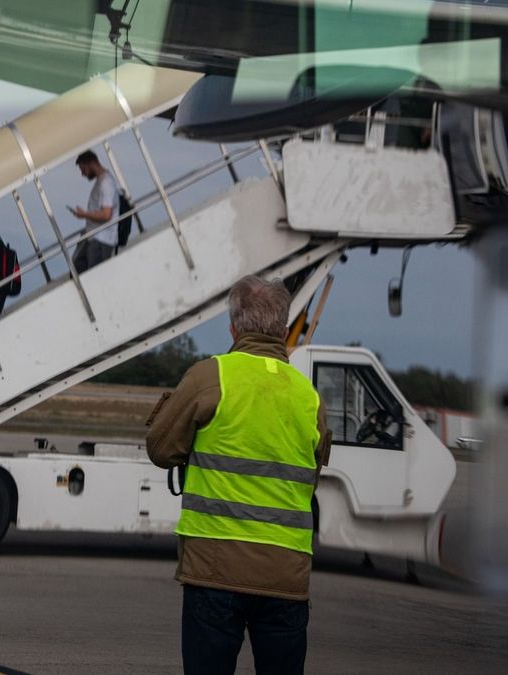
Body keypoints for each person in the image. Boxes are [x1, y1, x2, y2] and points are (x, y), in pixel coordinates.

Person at [145, 275, 331, 675]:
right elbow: (309, 476)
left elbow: (160, 449)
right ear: (283, 330)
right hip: (286, 576)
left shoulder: (209, 377)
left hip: (214, 570)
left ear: (233, 327)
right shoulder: (309, 397)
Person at [70, 149, 119, 273]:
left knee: (95, 277)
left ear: (91, 163)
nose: (82, 173)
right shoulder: (101, 181)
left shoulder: (106, 183)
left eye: (83, 169)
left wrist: (83, 214)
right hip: (95, 238)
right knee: (78, 266)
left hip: (101, 240)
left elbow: (107, 214)